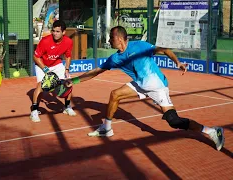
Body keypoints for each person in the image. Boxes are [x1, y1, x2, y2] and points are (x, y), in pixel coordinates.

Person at [65, 26, 225, 151]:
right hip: (140, 84)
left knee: (173, 121)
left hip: (157, 85)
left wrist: (178, 62)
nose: (108, 40)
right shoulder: (115, 58)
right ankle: (106, 128)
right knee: (115, 95)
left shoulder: (140, 46)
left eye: (110, 37)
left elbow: (163, 50)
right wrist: (75, 80)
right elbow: (97, 71)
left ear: (119, 38)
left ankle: (212, 131)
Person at [30, 20, 76, 122]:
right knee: (41, 86)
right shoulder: (45, 41)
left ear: (63, 32)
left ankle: (67, 107)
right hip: (42, 64)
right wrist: (45, 70)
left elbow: (68, 56)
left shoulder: (68, 41)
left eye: (58, 31)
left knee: (68, 83)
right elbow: (36, 57)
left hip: (56, 64)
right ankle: (34, 110)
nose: (55, 33)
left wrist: (67, 70)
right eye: (53, 31)